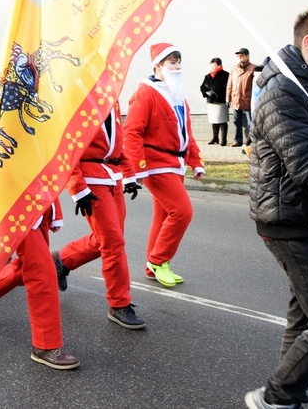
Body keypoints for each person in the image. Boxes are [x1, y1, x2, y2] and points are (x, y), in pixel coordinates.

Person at [245, 7, 308, 409]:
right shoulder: (283, 91)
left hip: (303, 215)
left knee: (305, 315)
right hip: (289, 220)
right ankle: (275, 396)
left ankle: (285, 394)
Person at [52, 101, 145, 329]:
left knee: (108, 239)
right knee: (113, 242)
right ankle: (118, 303)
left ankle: (60, 261)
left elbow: (116, 142)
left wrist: (129, 174)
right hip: (91, 179)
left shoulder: (110, 96)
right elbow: (66, 146)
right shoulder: (79, 97)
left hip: (113, 176)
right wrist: (77, 187)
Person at [123, 42, 204, 287]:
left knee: (164, 215)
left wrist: (195, 161)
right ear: (157, 66)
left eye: (179, 61)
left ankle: (152, 266)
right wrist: (137, 168)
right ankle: (159, 260)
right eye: (172, 61)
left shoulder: (178, 94)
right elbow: (132, 132)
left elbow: (186, 132)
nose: (177, 66)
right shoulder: (145, 93)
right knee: (182, 212)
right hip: (157, 165)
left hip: (175, 163)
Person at [0, 200, 81, 370]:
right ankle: (44, 345)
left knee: (28, 266)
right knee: (42, 272)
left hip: (37, 204)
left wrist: (53, 210)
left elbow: (47, 172)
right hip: (16, 204)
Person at [226, 47, 256, 148]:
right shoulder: (234, 68)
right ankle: (237, 140)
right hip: (236, 98)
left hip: (247, 99)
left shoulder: (253, 68)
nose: (240, 57)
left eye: (242, 55)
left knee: (250, 122)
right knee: (236, 121)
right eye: (238, 56)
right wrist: (228, 98)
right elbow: (230, 83)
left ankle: (251, 141)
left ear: (247, 56)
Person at [199, 57, 230, 146]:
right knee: (214, 120)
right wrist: (206, 93)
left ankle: (223, 140)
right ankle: (215, 138)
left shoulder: (225, 75)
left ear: (219, 65)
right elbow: (203, 87)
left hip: (220, 101)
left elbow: (226, 87)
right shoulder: (208, 76)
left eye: (214, 66)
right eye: (211, 66)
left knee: (222, 120)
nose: (212, 68)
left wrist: (216, 92)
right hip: (211, 101)